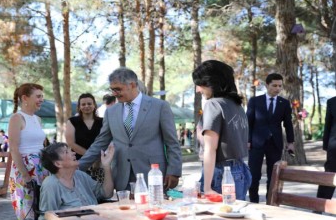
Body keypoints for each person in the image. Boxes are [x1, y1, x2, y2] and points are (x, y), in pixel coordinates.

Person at [79, 67, 182, 192]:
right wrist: (78, 166)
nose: (114, 93)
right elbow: (100, 142)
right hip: (122, 177)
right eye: (112, 90)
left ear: (132, 85)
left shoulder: (159, 106)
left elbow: (172, 142)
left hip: (153, 175)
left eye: (118, 89)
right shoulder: (111, 112)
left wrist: (174, 171)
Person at [192, 60, 252, 200]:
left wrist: (207, 188)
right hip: (240, 170)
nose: (198, 90)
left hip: (220, 173)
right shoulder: (237, 105)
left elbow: (210, 149)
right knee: (235, 217)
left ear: (211, 82)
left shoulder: (213, 104)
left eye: (199, 84)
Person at [246, 73, 294, 203]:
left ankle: (270, 201)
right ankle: (253, 201)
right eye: (274, 85)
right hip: (256, 143)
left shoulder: (284, 103)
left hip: (275, 143)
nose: (277, 88)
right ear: (267, 85)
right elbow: (248, 123)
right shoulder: (255, 101)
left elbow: (288, 124)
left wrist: (291, 142)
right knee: (254, 175)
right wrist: (248, 140)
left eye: (280, 86)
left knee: (273, 175)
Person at [39, 142, 114, 220]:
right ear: (58, 163)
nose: (74, 153)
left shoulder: (79, 175)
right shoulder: (50, 185)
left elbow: (107, 193)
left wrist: (106, 166)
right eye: (66, 152)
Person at [8, 83, 49, 220]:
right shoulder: (17, 118)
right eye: (38, 96)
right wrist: (25, 175)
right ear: (25, 98)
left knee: (42, 211)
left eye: (42, 96)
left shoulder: (38, 119)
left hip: (41, 167)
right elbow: (13, 148)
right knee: (27, 213)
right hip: (24, 168)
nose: (41, 99)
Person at [66, 93, 104, 182]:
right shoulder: (72, 121)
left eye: (89, 104)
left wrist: (97, 160)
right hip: (79, 162)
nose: (86, 106)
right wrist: (90, 157)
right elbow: (71, 143)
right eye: (83, 104)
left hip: (99, 163)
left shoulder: (103, 121)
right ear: (79, 107)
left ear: (94, 105)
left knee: (100, 191)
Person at [317, 97, 336, 200]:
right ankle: (319, 205)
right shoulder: (332, 102)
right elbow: (328, 124)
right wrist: (326, 146)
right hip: (334, 147)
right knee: (329, 174)